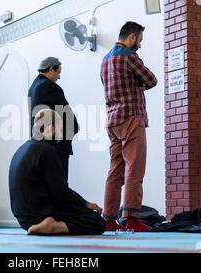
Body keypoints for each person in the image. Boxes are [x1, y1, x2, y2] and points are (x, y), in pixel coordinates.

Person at [8, 109, 105, 235]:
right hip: (40, 215)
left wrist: (84, 204)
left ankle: (50, 225)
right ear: (51, 128)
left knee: (82, 213)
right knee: (96, 221)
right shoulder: (47, 151)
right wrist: (84, 206)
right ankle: (54, 226)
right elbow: (61, 192)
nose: (60, 135)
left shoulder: (22, 149)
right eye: (60, 129)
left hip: (24, 219)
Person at [100, 21, 158, 232]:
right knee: (135, 168)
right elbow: (152, 80)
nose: (140, 45)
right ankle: (132, 219)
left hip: (113, 121)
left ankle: (108, 220)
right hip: (132, 118)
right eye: (140, 40)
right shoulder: (129, 57)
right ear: (131, 37)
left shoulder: (105, 61)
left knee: (115, 170)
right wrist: (138, 85)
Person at [28, 57, 79, 181]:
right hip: (56, 146)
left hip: (38, 145)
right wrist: (74, 129)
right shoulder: (50, 87)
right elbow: (67, 115)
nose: (59, 77)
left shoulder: (33, 88)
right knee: (59, 186)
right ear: (51, 69)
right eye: (58, 72)